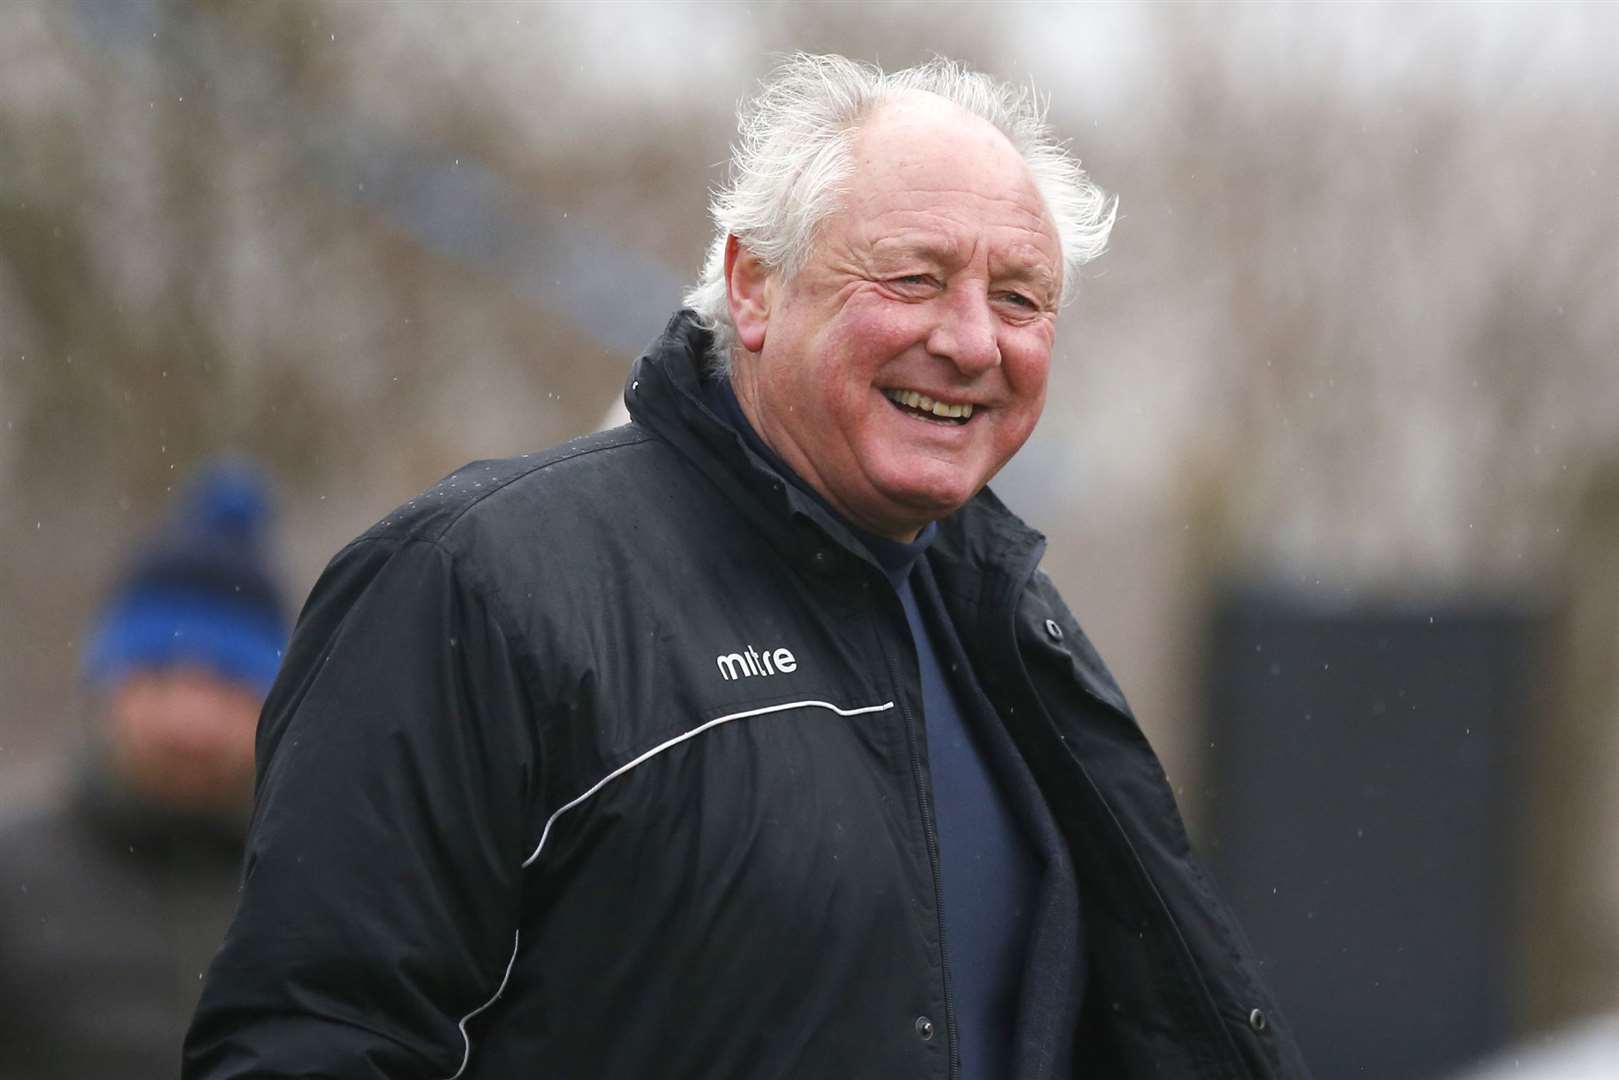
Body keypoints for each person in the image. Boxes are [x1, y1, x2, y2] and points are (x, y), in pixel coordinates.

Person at [185, 54, 1309, 1078]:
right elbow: (313, 1042)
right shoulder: (479, 583)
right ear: (754, 287)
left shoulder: (1012, 627)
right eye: (913, 278)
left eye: (1017, 297)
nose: (971, 340)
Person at [0, 460, 291, 1079]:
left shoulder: (328, 890)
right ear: (105, 686)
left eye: (225, 683)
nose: (191, 722)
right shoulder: (10, 882)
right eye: (160, 676)